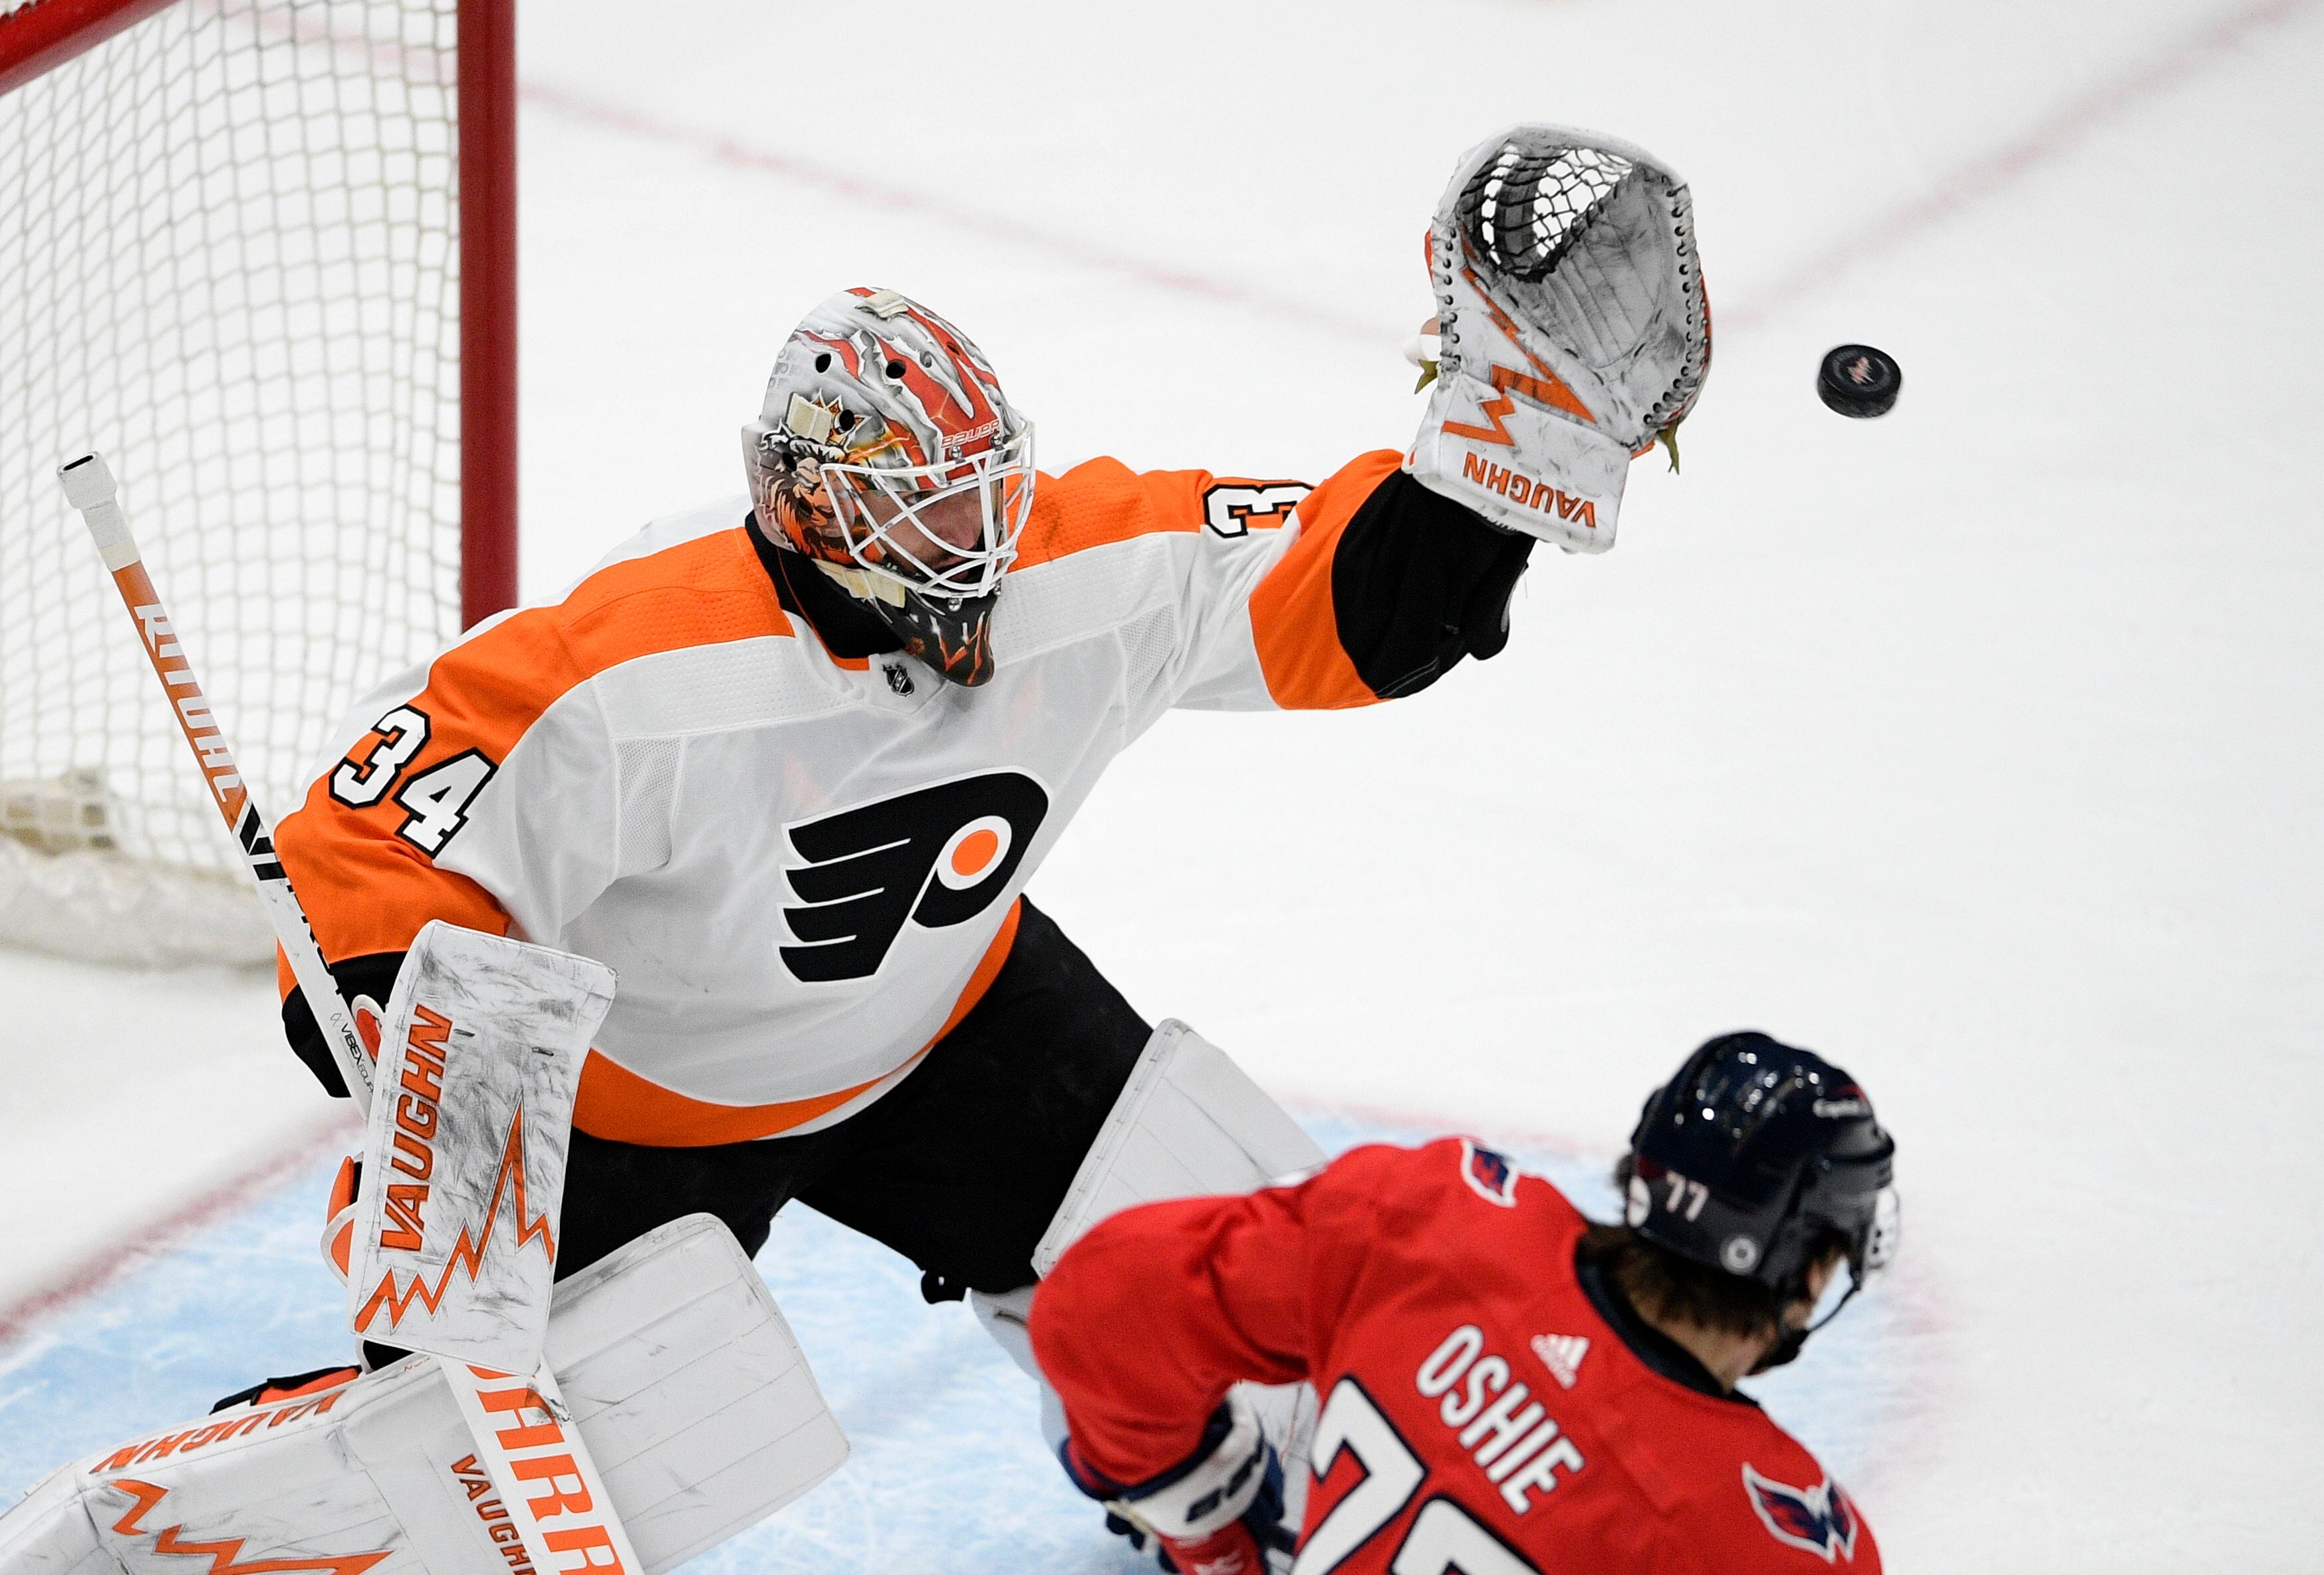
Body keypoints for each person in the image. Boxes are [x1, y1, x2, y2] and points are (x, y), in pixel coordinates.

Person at [269, 122, 1710, 1457]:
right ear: (817, 504)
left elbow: (1351, 604)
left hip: (948, 1020)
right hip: (650, 1108)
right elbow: (367, 829)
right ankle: (398, 1436)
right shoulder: (639, 666)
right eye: (927, 507)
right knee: (524, 1458)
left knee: (1232, 1282)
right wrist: (403, 1020)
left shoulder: (1072, 562)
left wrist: (1498, 471)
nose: (976, 539)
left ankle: (1237, 1497)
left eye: (984, 491)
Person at [1030, 1032, 1900, 1574]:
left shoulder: (1437, 1221)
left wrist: (1209, 1534)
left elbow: (1104, 1308)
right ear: (1808, 1268)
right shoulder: (1772, 1540)